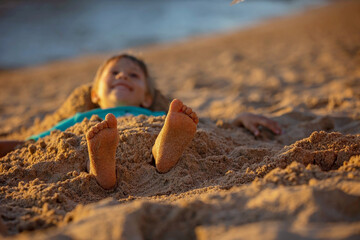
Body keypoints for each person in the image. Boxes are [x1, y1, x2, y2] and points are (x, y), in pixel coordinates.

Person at [0, 54, 282, 189]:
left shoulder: (156, 116)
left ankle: (163, 153)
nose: (123, 76)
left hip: (150, 135)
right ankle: (103, 170)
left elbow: (208, 129)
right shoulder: (82, 118)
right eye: (115, 73)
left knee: (162, 134)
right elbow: (36, 143)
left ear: (147, 98)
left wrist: (238, 118)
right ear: (95, 95)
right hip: (98, 143)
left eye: (133, 76)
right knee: (84, 142)